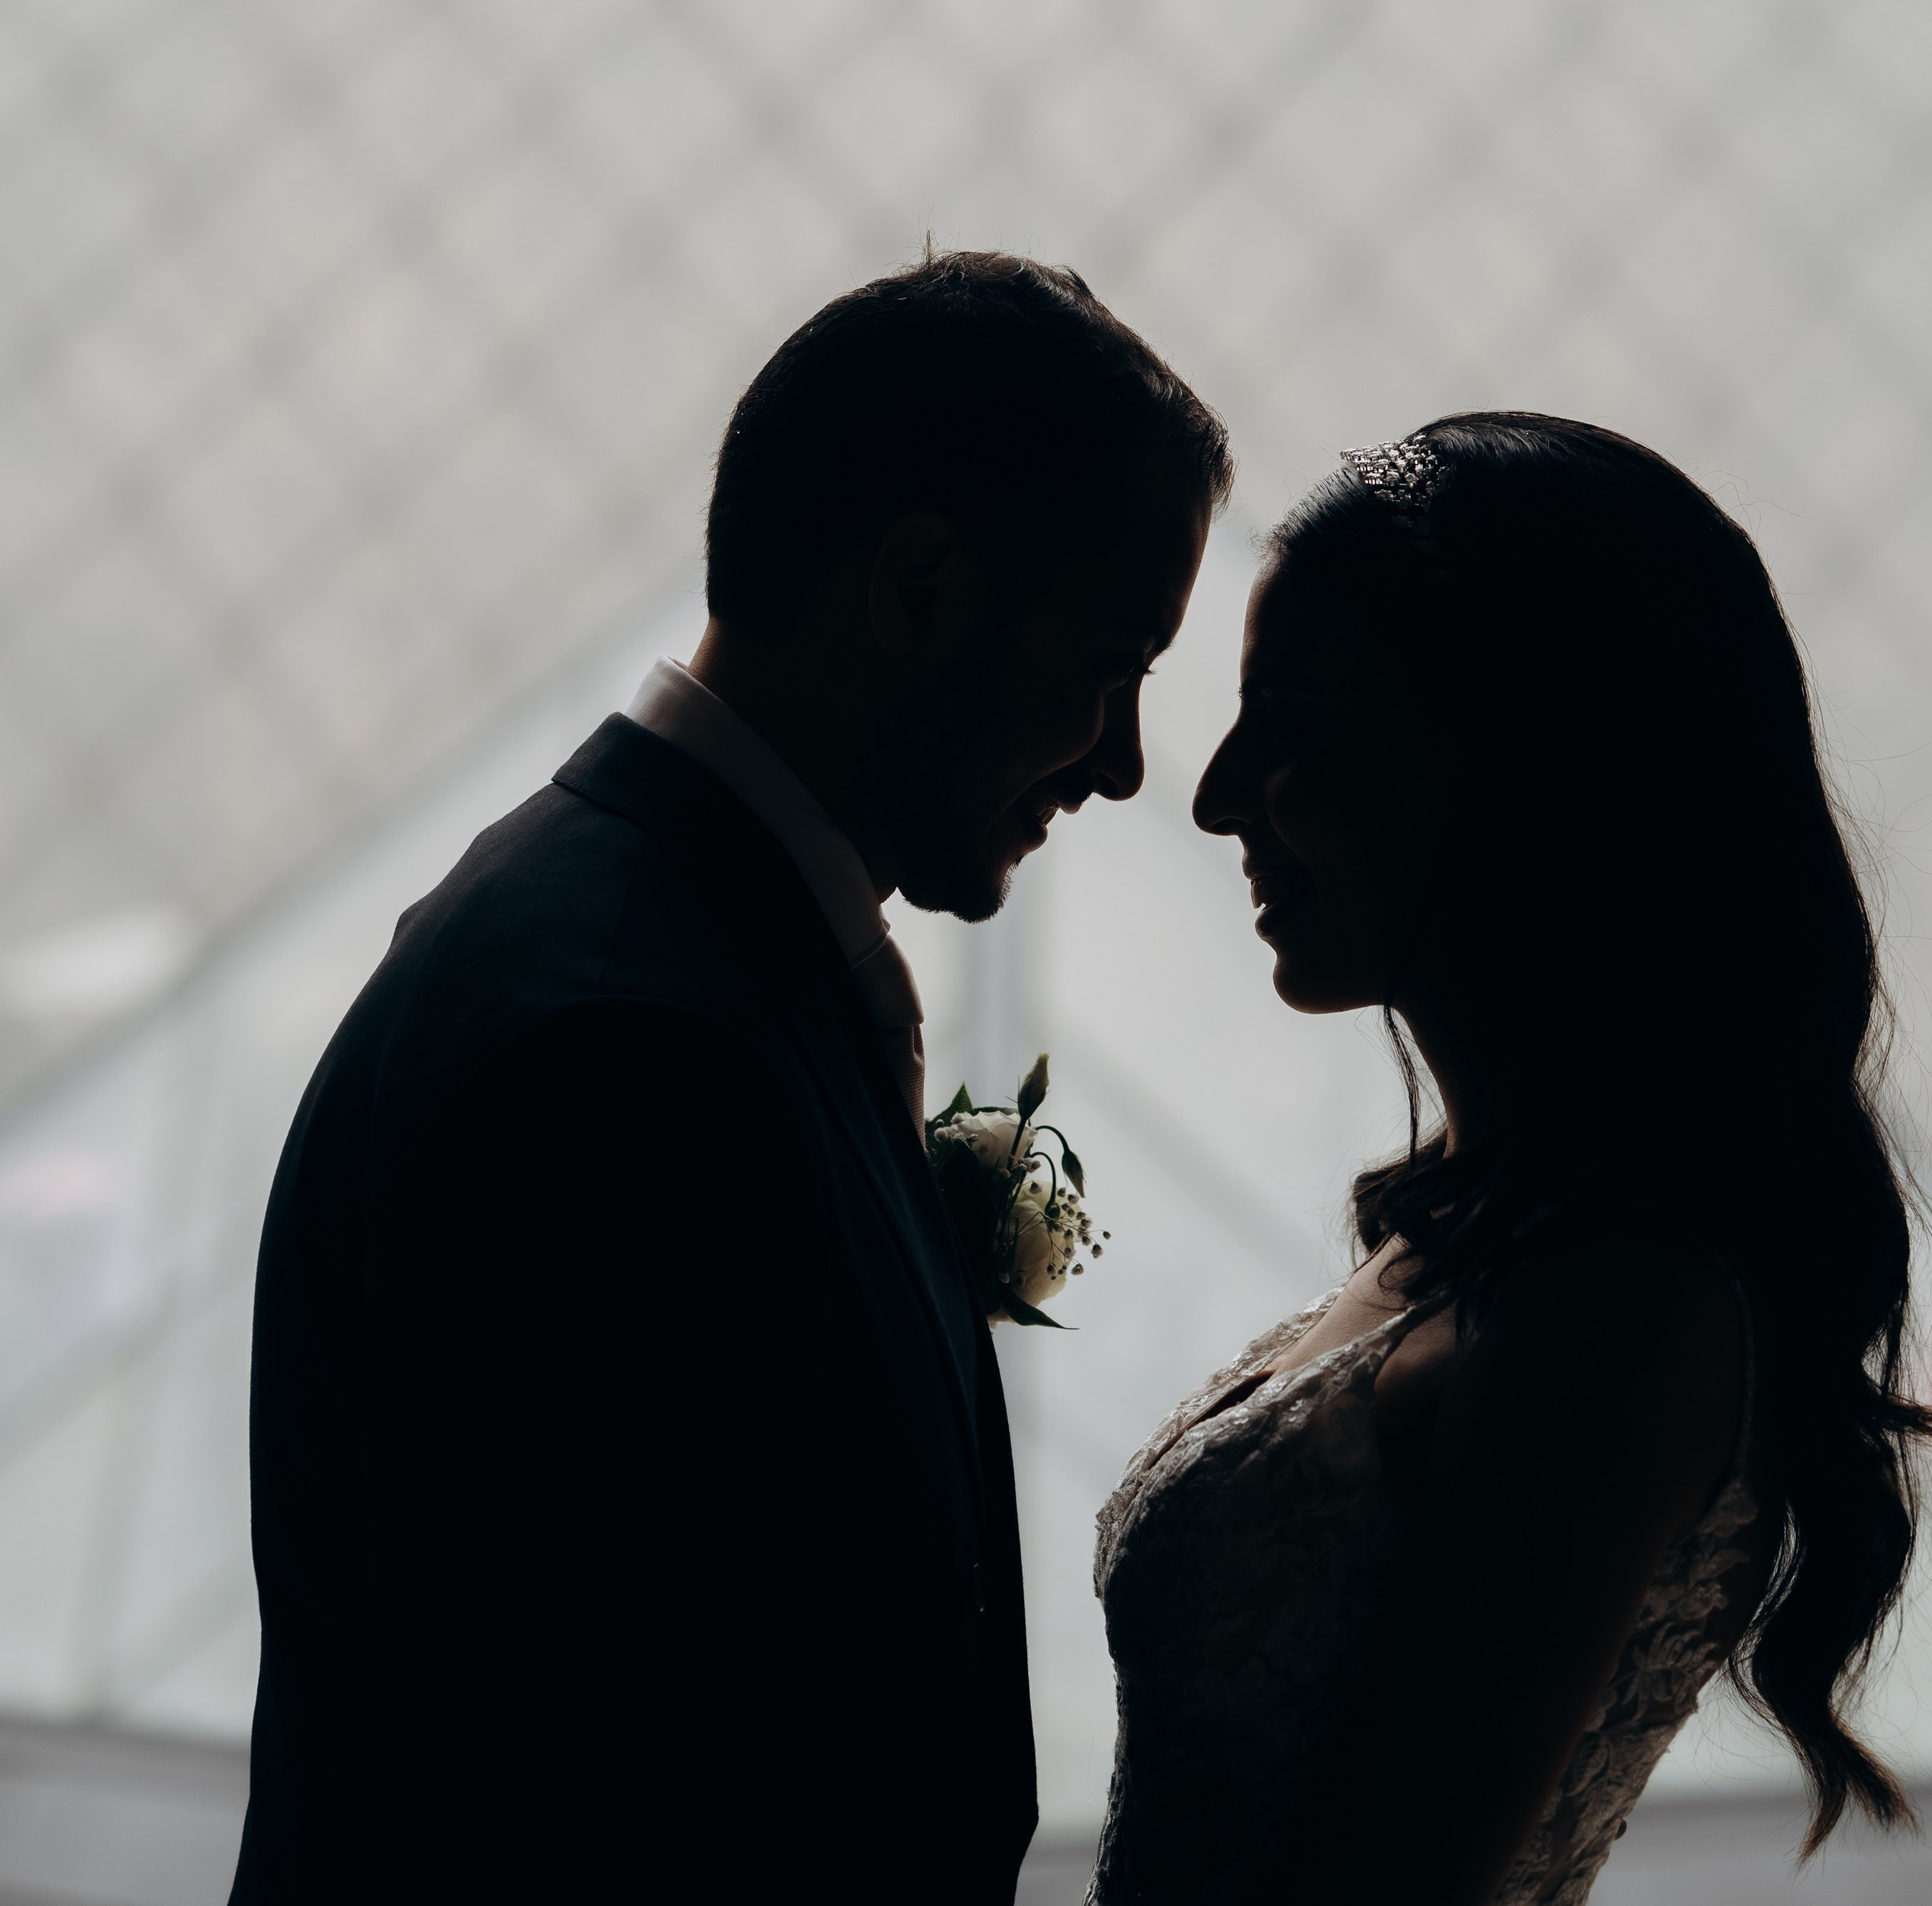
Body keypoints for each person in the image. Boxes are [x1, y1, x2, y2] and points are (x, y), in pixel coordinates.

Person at [229, 252, 1228, 1906]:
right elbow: (617, 1789)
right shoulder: (630, 1051)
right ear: (915, 590)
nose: (1123, 762)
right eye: (1114, 659)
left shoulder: (618, 940)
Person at [1090, 412, 1932, 1906]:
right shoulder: (1488, 1235)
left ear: (1505, 763)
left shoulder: (1610, 1316)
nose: (1216, 794)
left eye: (1286, 720)